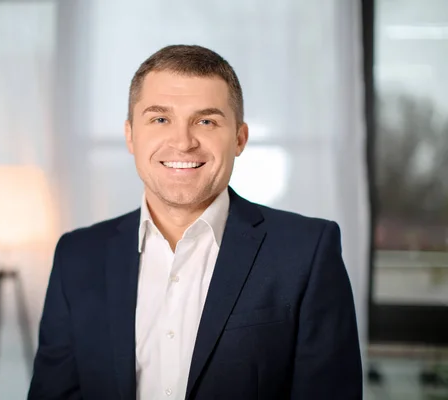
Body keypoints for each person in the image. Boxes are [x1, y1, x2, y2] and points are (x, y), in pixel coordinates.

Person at [28, 44, 362, 400]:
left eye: (206, 121)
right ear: (130, 135)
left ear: (239, 138)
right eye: (160, 119)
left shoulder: (308, 252)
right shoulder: (77, 256)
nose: (183, 142)